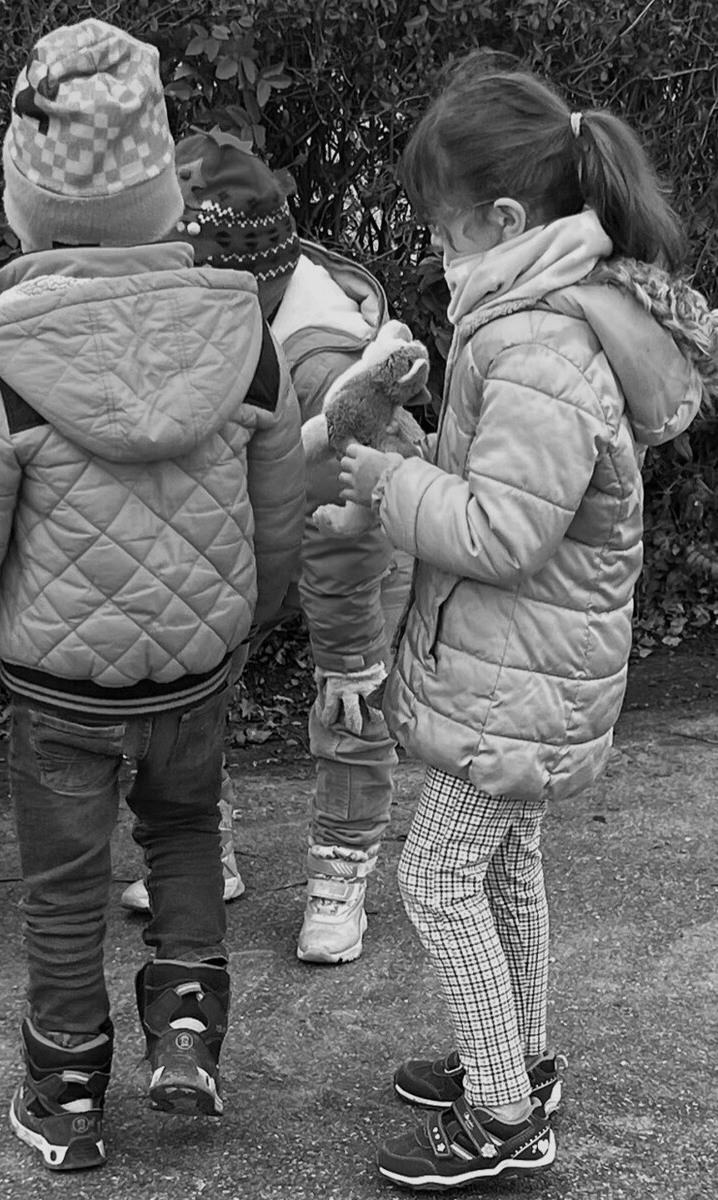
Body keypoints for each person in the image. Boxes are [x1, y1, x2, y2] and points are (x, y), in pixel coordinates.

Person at [0, 19, 305, 1171]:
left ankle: (69, 1094)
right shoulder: (243, 335)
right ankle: (187, 1032)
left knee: (64, 886)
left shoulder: (1, 362)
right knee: (183, 832)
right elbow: (276, 507)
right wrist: (253, 611)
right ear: (164, 195)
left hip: (58, 687)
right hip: (195, 671)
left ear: (24, 206)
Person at [335, 52, 714, 1190]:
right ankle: (520, 1061)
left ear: (504, 218)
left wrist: (383, 483)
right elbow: (509, 492)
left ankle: (502, 1113)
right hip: (528, 668)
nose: (439, 257)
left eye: (443, 235)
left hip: (520, 676)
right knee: (505, 869)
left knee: (435, 880)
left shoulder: (536, 342)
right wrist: (413, 434)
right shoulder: (539, 319)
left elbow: (504, 531)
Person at [119, 129, 424, 965]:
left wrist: (353, 650)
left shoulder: (330, 365)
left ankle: (342, 868)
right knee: (192, 670)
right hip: (249, 518)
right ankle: (199, 845)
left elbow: (357, 534)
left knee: (350, 693)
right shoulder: (207, 318)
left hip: (351, 530)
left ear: (255, 281)